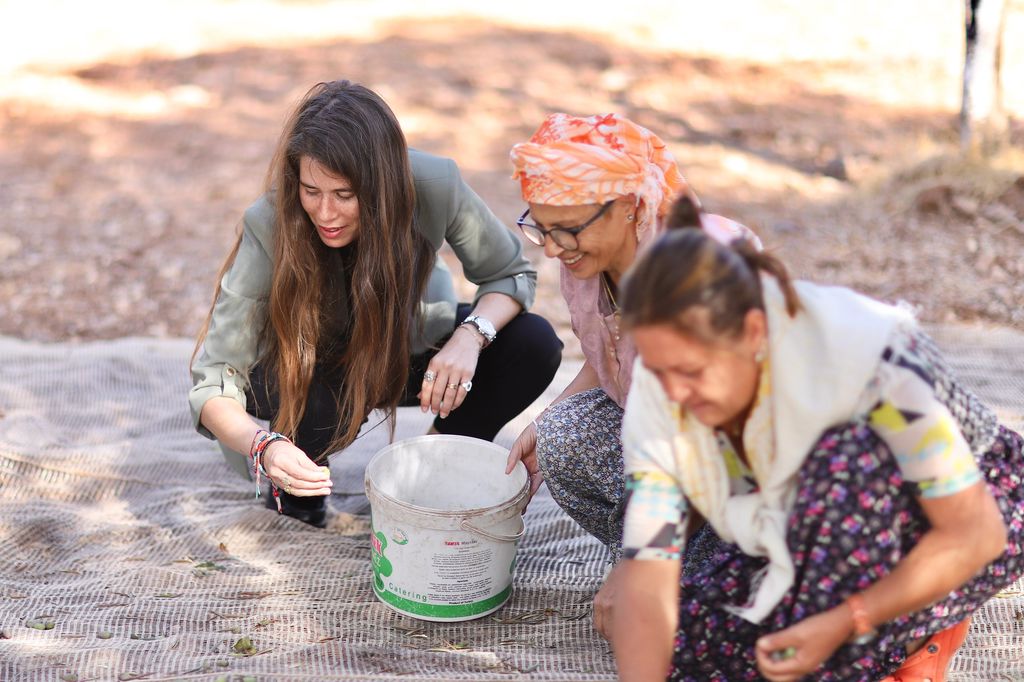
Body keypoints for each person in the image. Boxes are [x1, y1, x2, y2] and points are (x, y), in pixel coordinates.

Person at [610, 195, 1024, 681]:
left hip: (967, 514)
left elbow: (975, 533)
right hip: (804, 525)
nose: (674, 393)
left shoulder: (868, 356)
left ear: (753, 331)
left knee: (820, 638)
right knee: (694, 643)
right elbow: (649, 574)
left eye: (692, 371)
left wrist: (845, 621)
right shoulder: (662, 394)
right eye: (658, 372)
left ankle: (916, 638)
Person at [189, 80, 562, 527]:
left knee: (533, 343)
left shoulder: (433, 184)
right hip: (308, 375)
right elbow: (214, 382)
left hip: (406, 353)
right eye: (312, 191)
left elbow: (509, 273)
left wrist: (469, 337)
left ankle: (434, 469)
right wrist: (262, 446)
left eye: (345, 195)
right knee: (317, 389)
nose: (325, 214)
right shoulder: (270, 222)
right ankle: (299, 500)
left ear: (381, 183)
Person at [505, 112, 757, 635]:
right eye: (541, 228)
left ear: (628, 207)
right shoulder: (585, 260)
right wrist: (545, 419)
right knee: (561, 436)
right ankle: (681, 575)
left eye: (567, 229)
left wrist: (635, 563)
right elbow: (610, 360)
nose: (552, 248)